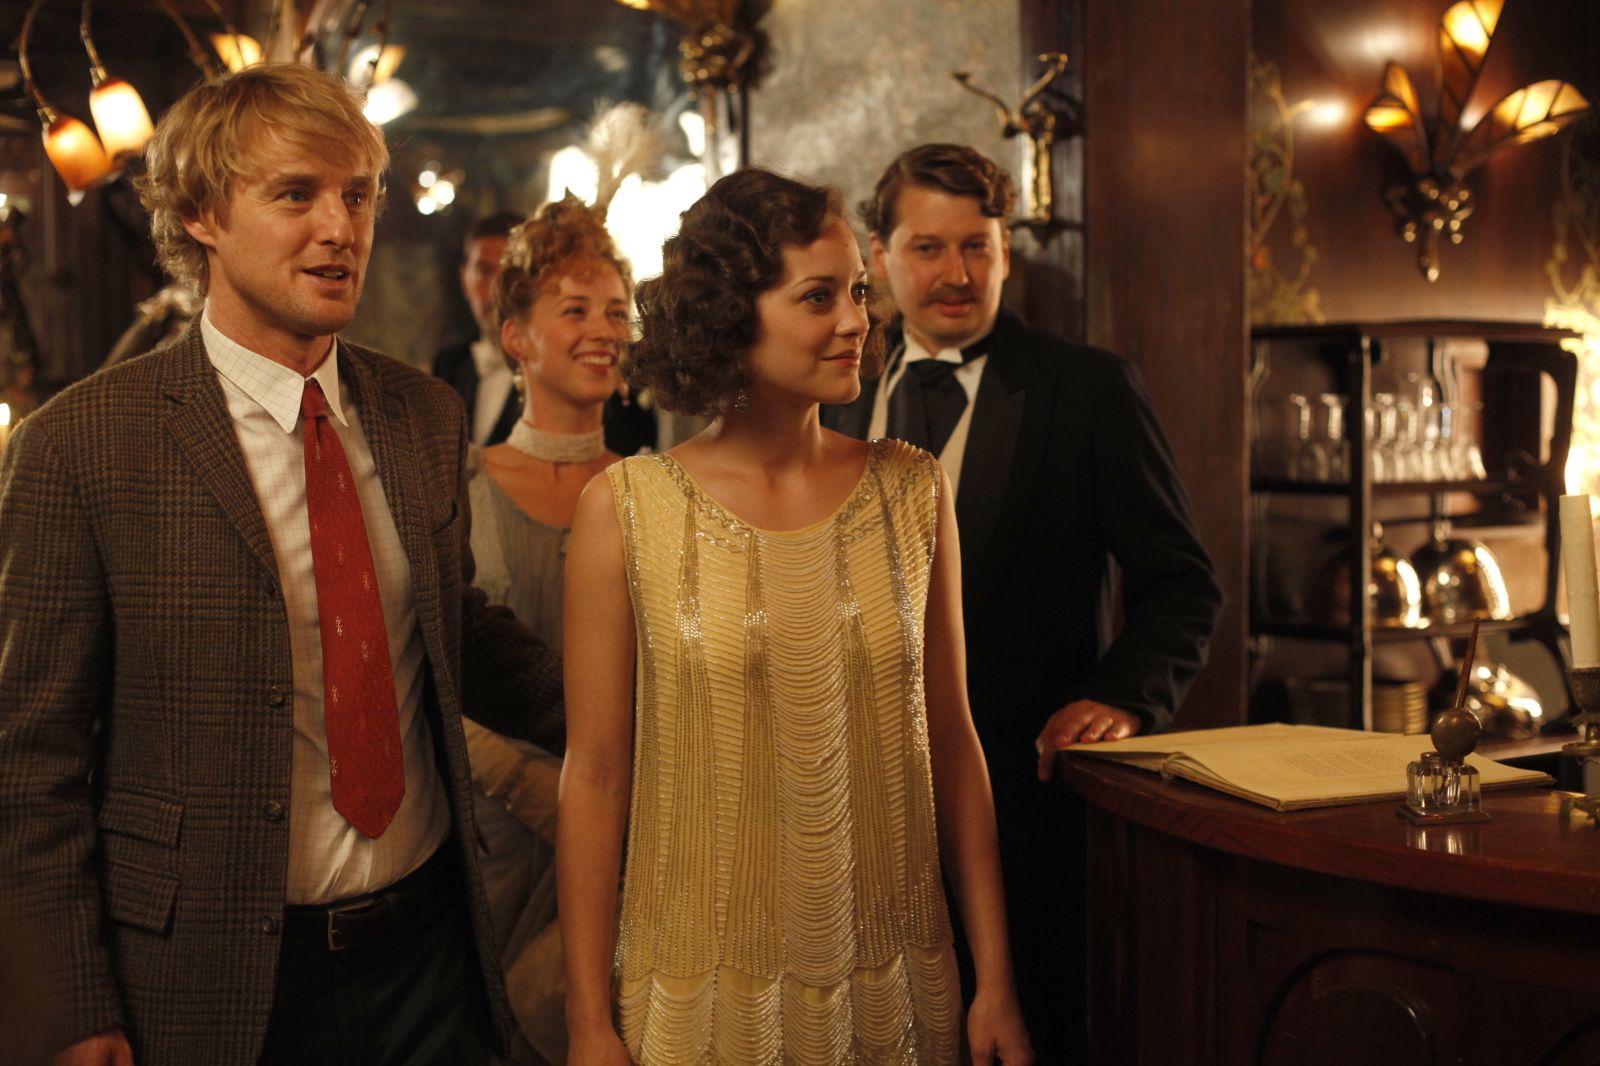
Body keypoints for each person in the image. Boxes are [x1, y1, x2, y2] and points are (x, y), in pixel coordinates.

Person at [0, 64, 564, 1066]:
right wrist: (72, 1005)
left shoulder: (422, 414)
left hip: (431, 952)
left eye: (358, 195)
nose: (341, 228)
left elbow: (451, 626)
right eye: (296, 195)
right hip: (211, 979)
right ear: (202, 214)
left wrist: (647, 708)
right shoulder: (80, 445)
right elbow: (28, 763)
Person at [559, 168, 1034, 1065]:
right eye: (819, 297)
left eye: (857, 290)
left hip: (898, 987)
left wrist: (996, 980)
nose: (858, 320)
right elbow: (594, 777)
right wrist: (587, 1022)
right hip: (696, 997)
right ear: (728, 315)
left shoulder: (912, 489)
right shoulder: (625, 508)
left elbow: (952, 743)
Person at [825, 143, 1224, 1060]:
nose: (957, 274)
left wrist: (1122, 696)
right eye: (928, 248)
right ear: (879, 256)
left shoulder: (1086, 389)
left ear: (1007, 252)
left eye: (978, 246)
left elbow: (1182, 582)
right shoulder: (835, 391)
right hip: (850, 816)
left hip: (1022, 818)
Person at [463, 195, 634, 1065]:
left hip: (628, 842)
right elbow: (422, 664)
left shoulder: (656, 492)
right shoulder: (459, 486)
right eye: (575, 310)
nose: (604, 330)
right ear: (517, 337)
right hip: (492, 845)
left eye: (616, 311)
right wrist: (526, 786)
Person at [435, 212, 524, 448]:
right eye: (485, 271)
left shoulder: (555, 368)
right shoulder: (448, 365)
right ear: (465, 280)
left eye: (511, 273)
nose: (497, 288)